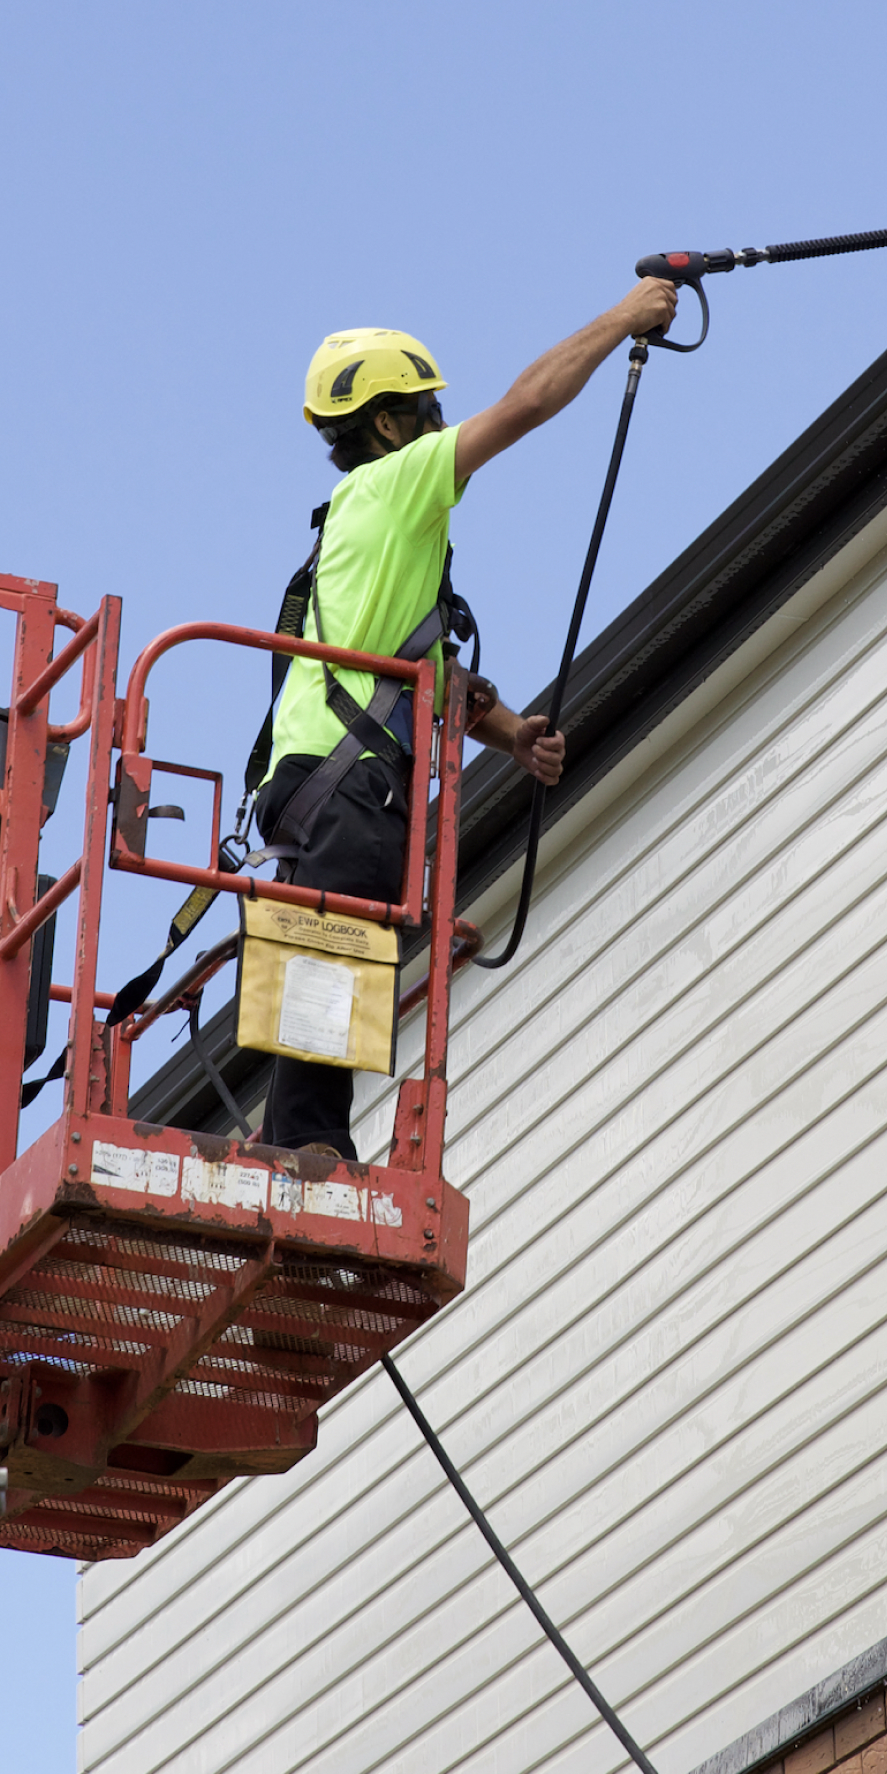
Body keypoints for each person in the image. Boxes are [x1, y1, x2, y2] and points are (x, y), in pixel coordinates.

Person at [249, 278, 678, 1158]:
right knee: (336, 945)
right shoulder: (396, 488)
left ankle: (300, 1134)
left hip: (314, 780)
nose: (442, 420)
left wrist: (513, 734)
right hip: (346, 781)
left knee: (330, 943)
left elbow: (426, 677)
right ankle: (303, 1141)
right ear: (386, 424)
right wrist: (621, 318)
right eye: (427, 407)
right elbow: (527, 404)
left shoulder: (367, 534)